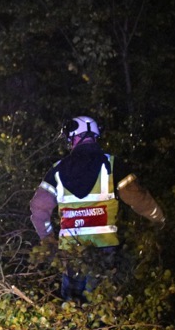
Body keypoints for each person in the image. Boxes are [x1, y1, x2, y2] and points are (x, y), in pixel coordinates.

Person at [29, 115, 165, 301]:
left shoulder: (57, 170)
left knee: (72, 311)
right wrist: (158, 218)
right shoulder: (111, 165)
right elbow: (137, 198)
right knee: (101, 308)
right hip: (104, 250)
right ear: (94, 136)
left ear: (74, 138)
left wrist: (48, 239)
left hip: (71, 253)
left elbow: (38, 208)